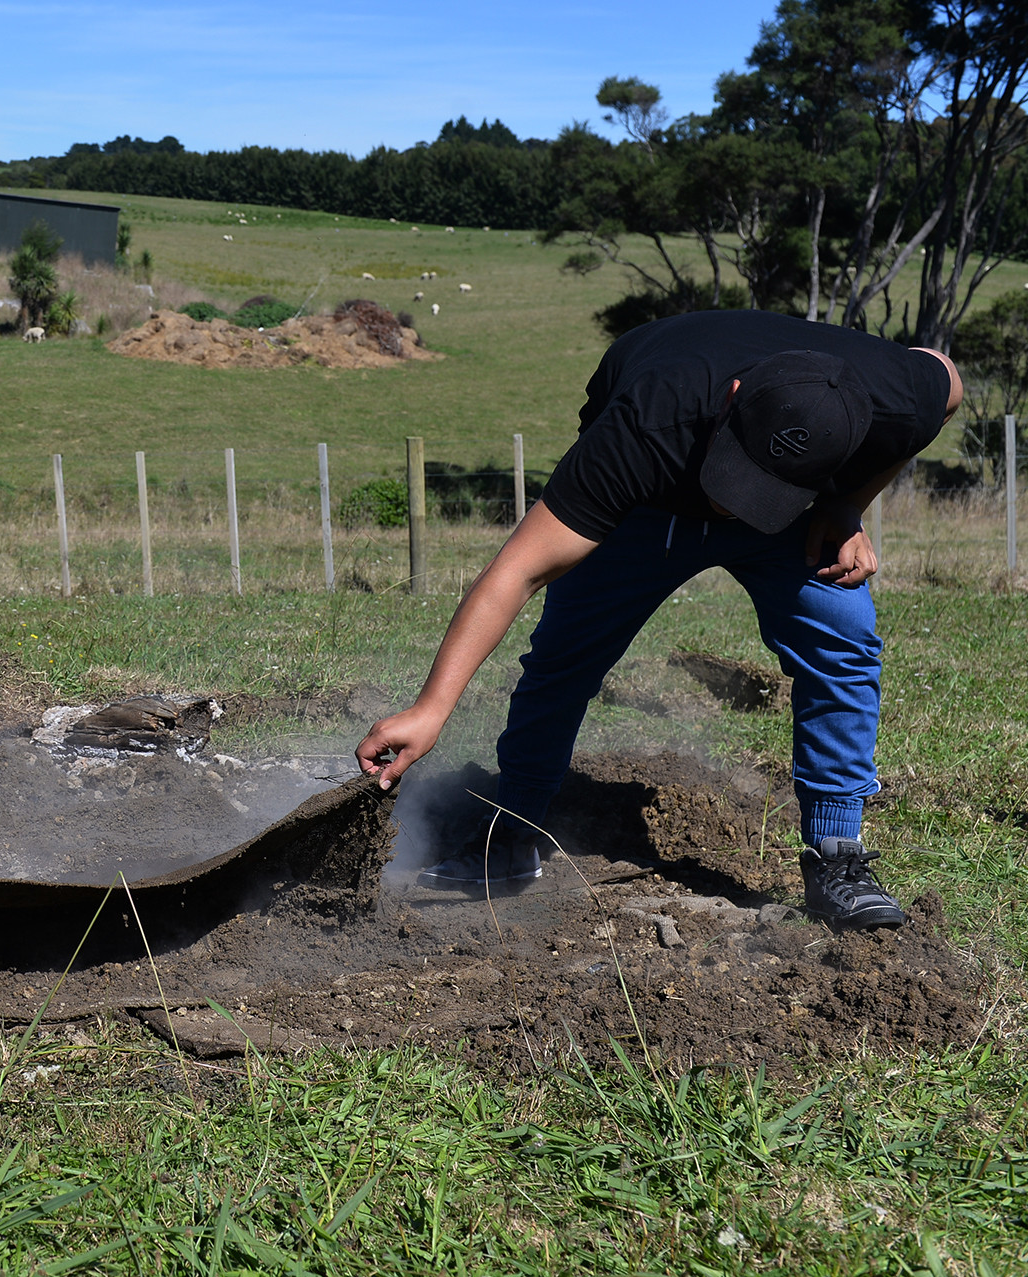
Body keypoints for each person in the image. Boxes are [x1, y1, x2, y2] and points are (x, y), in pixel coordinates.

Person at [355, 310, 962, 930]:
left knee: (844, 643)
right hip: (653, 498)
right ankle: (514, 832)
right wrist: (431, 708)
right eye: (737, 473)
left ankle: (838, 858)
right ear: (733, 400)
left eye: (757, 487)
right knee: (566, 655)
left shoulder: (891, 397)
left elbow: (949, 387)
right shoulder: (646, 421)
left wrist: (846, 503)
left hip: (795, 518)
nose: (733, 504)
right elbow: (519, 570)